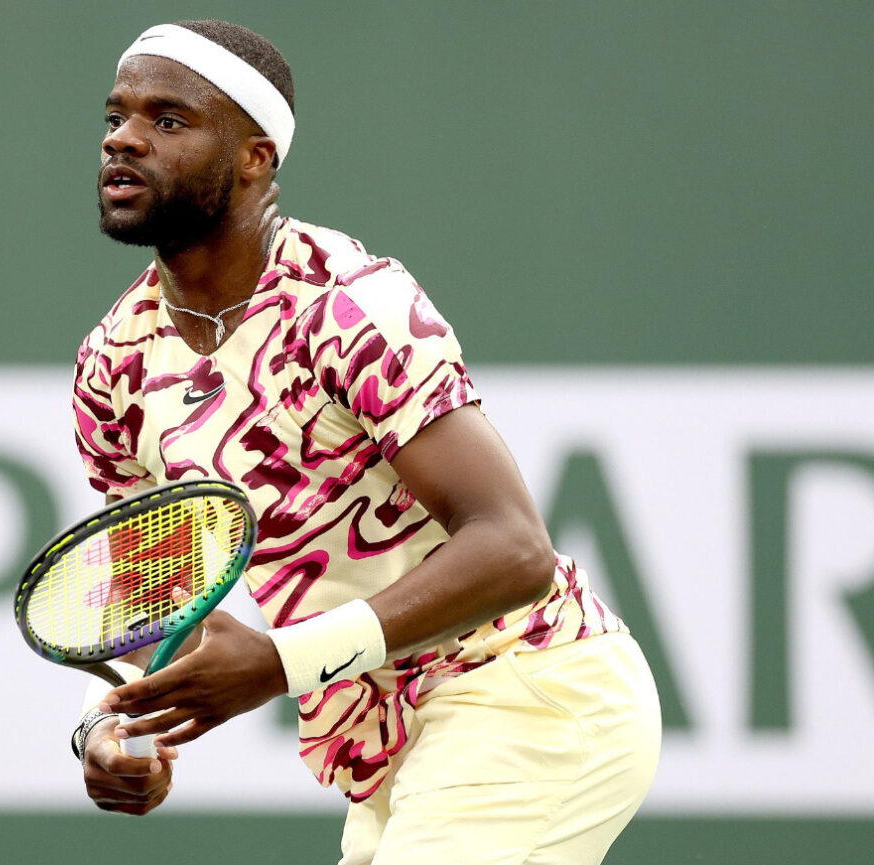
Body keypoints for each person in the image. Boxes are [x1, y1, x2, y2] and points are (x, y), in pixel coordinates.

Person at [69, 19, 661, 865]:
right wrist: (115, 722)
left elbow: (515, 548)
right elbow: (153, 600)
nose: (124, 137)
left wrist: (277, 663)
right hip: (392, 748)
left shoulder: (349, 306)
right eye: (116, 117)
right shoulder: (114, 363)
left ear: (254, 159)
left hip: (530, 693)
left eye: (168, 121)